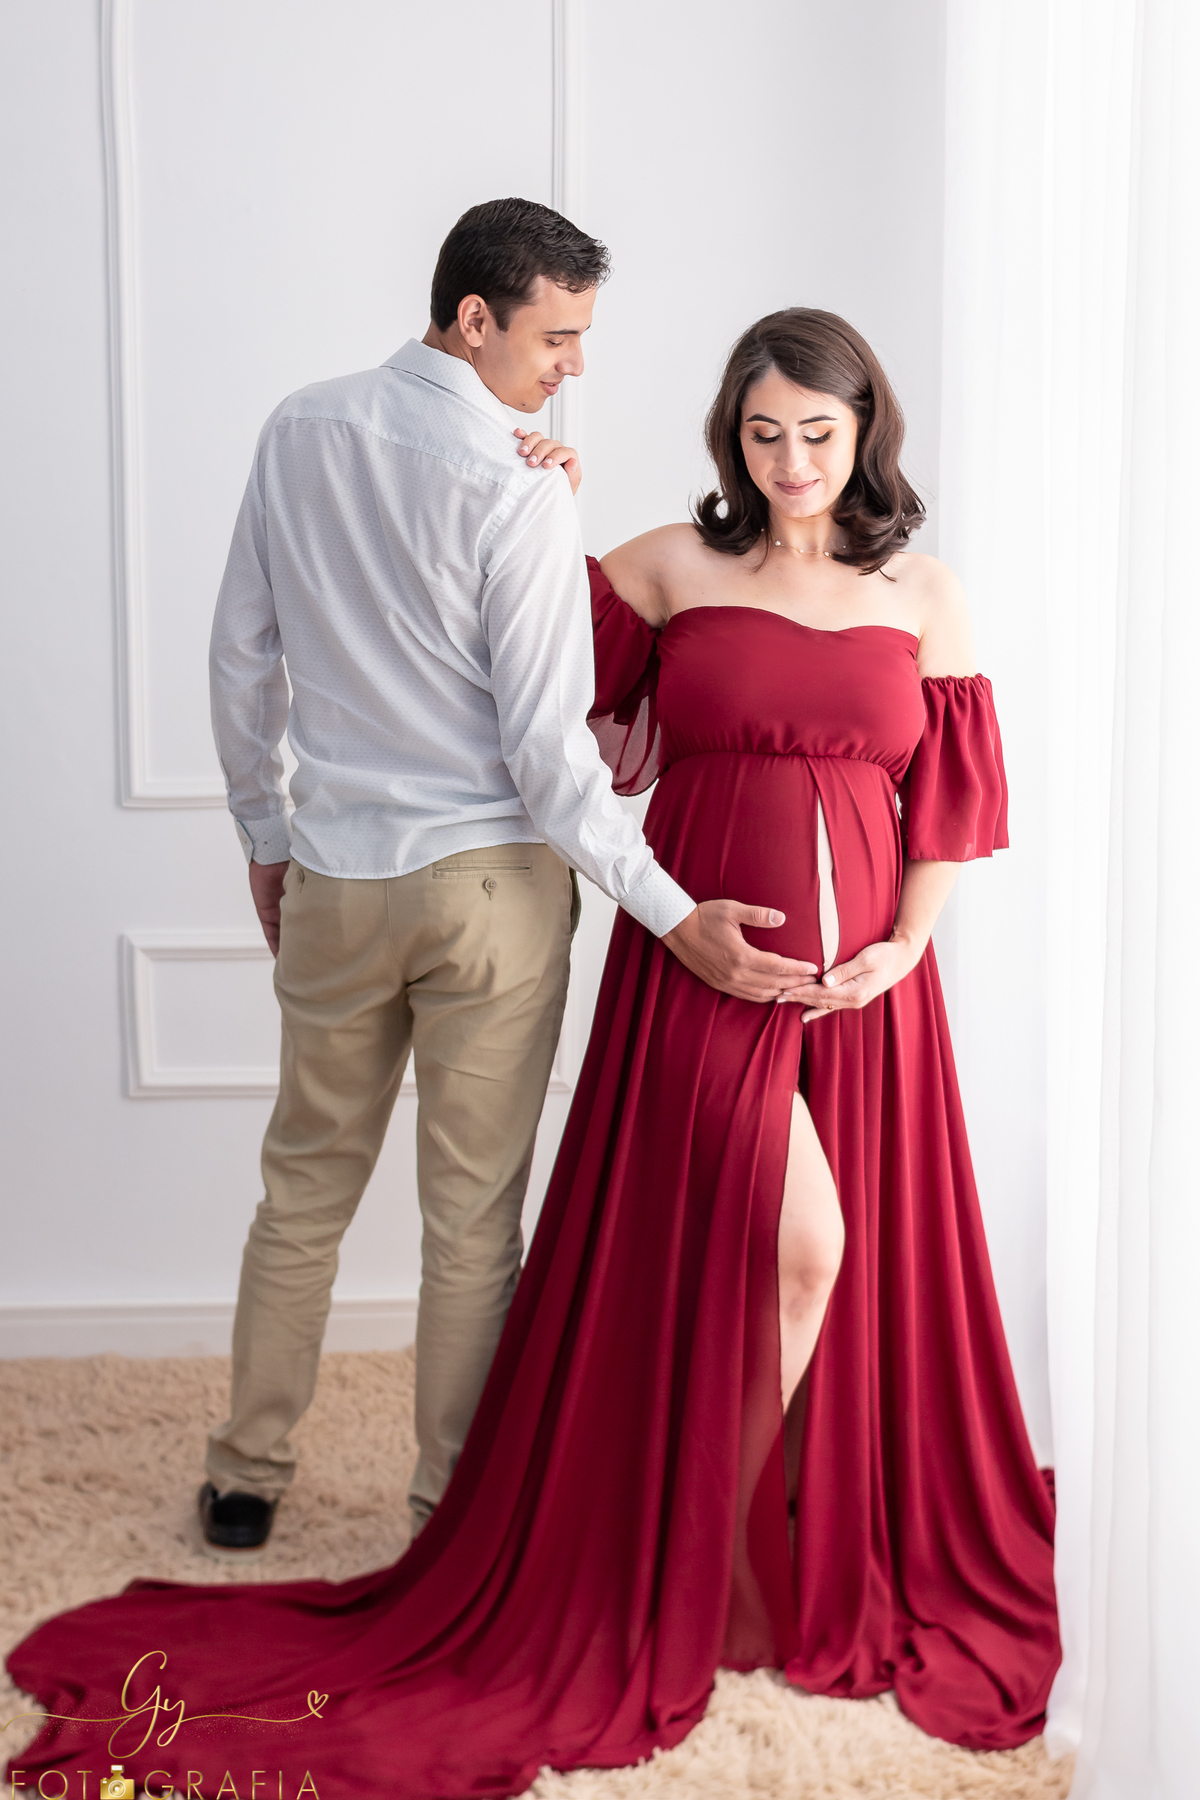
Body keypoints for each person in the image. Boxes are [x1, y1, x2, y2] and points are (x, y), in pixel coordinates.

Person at [8, 309, 1059, 1797]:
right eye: (763, 434)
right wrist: (525, 487)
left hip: (865, 994)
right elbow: (476, 640)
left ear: (866, 430)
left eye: (819, 434)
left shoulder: (926, 595)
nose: (792, 462)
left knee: (819, 1257)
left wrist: (908, 945)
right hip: (698, 964)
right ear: (731, 440)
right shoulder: (664, 566)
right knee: (796, 1244)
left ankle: (779, 1528)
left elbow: (950, 801)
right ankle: (708, 1542)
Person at [197, 199, 815, 1558]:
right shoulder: (520, 482)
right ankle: (443, 1508)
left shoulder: (300, 428)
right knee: (471, 1217)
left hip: (339, 876)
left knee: (302, 1187)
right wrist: (668, 910)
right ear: (474, 317)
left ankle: (244, 1481)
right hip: (491, 891)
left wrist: (264, 835)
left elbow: (243, 657)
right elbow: (549, 755)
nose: (574, 366)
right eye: (558, 335)